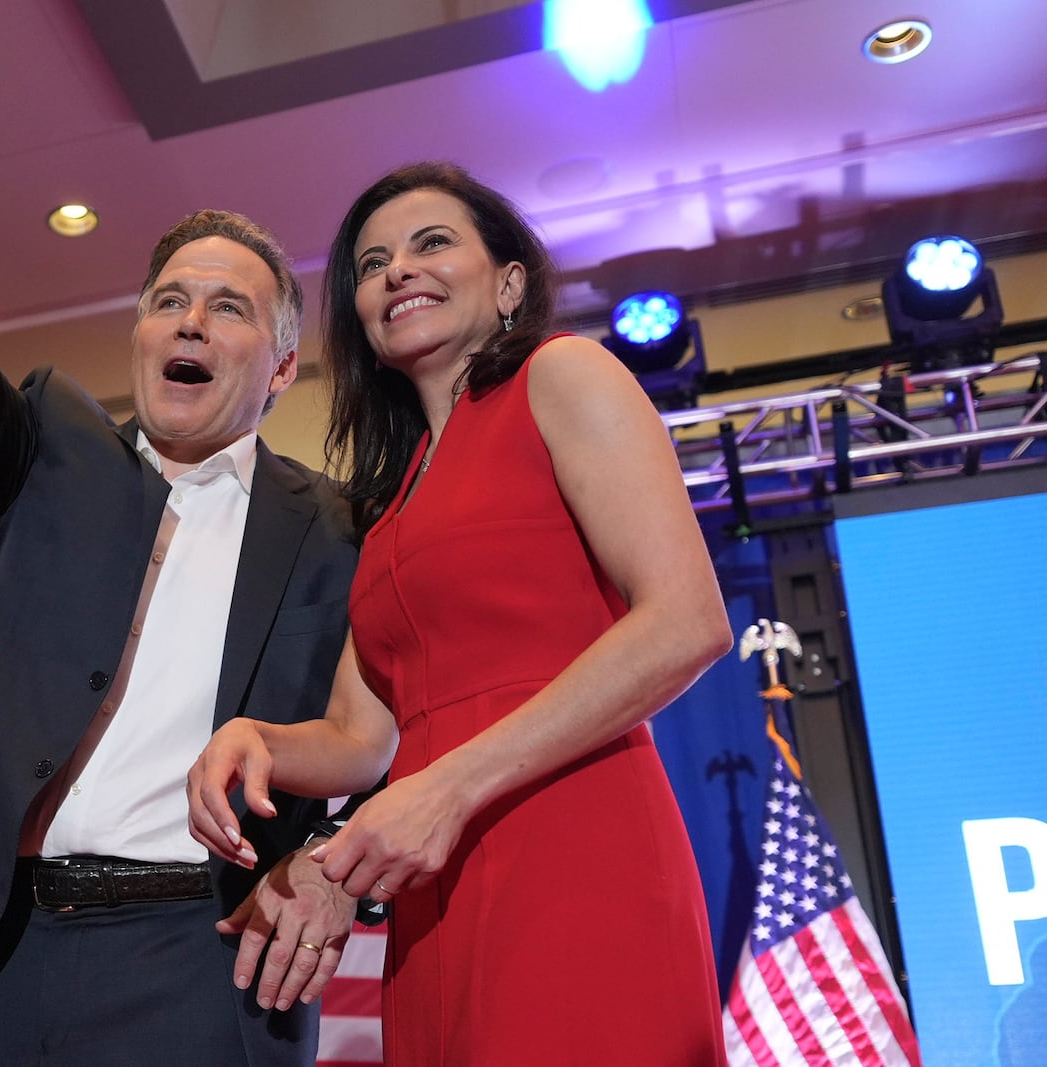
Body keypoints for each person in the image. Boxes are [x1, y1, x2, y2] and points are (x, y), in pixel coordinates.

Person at [0, 21, 366, 1066]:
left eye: (228, 308)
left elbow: (387, 733)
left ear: (282, 368)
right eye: (167, 302)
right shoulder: (48, 453)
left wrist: (330, 852)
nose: (188, 322)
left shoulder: (340, 528)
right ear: (139, 336)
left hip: (209, 956)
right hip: (2, 944)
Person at [188, 161, 734, 1065]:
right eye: (371, 264)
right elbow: (363, 739)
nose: (397, 269)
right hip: (432, 882)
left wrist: (446, 788)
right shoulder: (392, 500)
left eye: (430, 243)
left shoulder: (562, 375)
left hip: (573, 842)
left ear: (510, 282)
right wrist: (258, 739)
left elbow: (686, 620)